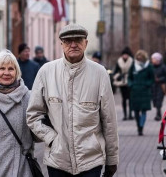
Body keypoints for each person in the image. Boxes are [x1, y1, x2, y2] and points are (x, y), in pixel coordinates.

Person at [27, 24, 119, 177]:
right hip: (58, 160)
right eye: (68, 41)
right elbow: (33, 115)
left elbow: (109, 120)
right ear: (61, 44)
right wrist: (51, 138)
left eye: (78, 40)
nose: (73, 44)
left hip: (91, 160)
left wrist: (112, 159)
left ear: (86, 43)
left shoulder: (99, 73)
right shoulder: (46, 72)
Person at [128, 50, 154, 135]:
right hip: (135, 91)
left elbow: (152, 78)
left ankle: (141, 127)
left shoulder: (148, 66)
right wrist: (131, 85)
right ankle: (138, 126)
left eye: (141, 58)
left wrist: (147, 84)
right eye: (138, 58)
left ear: (144, 58)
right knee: (136, 111)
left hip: (144, 91)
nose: (139, 59)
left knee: (144, 110)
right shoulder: (133, 66)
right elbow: (129, 77)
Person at [112, 47, 134, 121]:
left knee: (130, 98)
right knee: (124, 99)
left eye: (126, 55)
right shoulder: (119, 61)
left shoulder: (132, 61)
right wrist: (117, 76)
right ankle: (125, 115)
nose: (125, 56)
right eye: (123, 55)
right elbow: (116, 71)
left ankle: (130, 114)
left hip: (130, 81)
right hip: (122, 82)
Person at [150, 52, 166, 120]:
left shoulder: (163, 67)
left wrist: (159, 79)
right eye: (152, 59)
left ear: (158, 60)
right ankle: (158, 112)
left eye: (154, 59)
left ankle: (158, 114)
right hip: (153, 86)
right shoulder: (151, 67)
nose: (152, 60)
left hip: (161, 86)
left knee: (159, 100)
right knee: (154, 100)